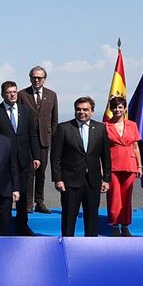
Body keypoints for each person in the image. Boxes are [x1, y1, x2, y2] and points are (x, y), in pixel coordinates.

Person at [51, 97, 112, 238]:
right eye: (78, 109)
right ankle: (67, 244)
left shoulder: (101, 128)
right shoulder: (63, 128)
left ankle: (90, 247)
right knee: (68, 216)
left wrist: (106, 179)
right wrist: (58, 179)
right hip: (70, 181)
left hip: (93, 180)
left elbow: (106, 156)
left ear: (92, 111)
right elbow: (55, 157)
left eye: (85, 109)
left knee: (92, 216)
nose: (81, 112)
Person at [0, 81, 37, 236]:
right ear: (3, 94)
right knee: (2, 195)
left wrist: (36, 156)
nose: (12, 94)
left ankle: (22, 225)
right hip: (2, 161)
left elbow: (32, 135)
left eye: (14, 91)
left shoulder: (26, 111)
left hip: (23, 160)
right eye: (9, 92)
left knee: (22, 195)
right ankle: (2, 225)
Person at [19, 66, 59, 214]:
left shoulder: (52, 95)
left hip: (44, 140)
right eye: (34, 77)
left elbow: (54, 119)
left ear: (44, 79)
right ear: (30, 78)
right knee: (29, 172)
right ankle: (27, 202)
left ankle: (39, 201)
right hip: (27, 141)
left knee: (41, 172)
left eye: (39, 77)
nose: (36, 80)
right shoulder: (22, 94)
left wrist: (52, 137)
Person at [105, 95, 143, 236]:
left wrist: (140, 166)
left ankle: (125, 225)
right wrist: (103, 169)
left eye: (120, 107)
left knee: (127, 196)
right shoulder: (105, 126)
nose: (117, 110)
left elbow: (135, 146)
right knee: (114, 196)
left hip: (130, 164)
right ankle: (114, 225)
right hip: (112, 165)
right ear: (111, 109)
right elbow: (101, 149)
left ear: (124, 108)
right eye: (114, 107)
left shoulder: (132, 125)